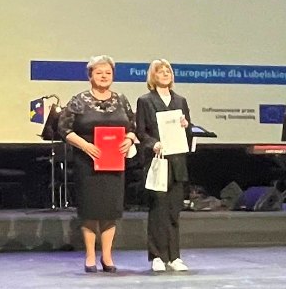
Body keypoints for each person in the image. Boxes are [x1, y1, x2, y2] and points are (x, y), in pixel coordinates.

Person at [58, 55, 136, 273]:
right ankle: (90, 256)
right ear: (90, 76)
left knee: (110, 211)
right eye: (99, 72)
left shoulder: (121, 100)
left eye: (108, 73)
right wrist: (85, 146)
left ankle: (107, 257)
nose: (104, 76)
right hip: (87, 163)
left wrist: (129, 139)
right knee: (90, 211)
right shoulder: (79, 100)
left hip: (114, 163)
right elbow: (64, 129)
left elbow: (134, 126)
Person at [134, 58, 192, 272]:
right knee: (158, 210)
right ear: (153, 76)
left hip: (177, 162)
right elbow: (141, 132)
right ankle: (157, 256)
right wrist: (153, 144)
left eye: (168, 70)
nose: (165, 74)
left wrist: (186, 125)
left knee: (174, 210)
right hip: (157, 161)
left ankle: (174, 256)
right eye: (160, 71)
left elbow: (187, 134)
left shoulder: (180, 101)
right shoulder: (145, 101)